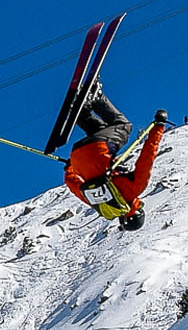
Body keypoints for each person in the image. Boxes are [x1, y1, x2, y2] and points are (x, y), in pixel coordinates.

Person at [63, 88, 169, 230]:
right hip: (77, 155)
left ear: (138, 211)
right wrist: (70, 168)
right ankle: (80, 111)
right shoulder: (100, 205)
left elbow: (147, 157)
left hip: (99, 147)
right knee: (101, 130)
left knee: (124, 126)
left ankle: (97, 96)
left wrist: (159, 127)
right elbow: (73, 184)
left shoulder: (134, 190)